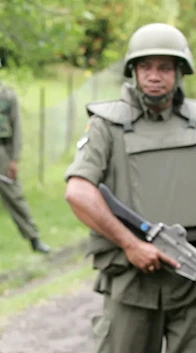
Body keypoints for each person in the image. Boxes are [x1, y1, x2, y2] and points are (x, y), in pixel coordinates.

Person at [65, 23, 196, 353]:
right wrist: (130, 244)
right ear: (133, 71)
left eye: (164, 67)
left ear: (180, 71)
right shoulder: (107, 125)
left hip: (191, 282)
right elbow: (79, 191)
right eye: (145, 66)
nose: (154, 75)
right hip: (132, 281)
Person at [0, 51, 50, 254]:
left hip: (1, 150)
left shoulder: (7, 94)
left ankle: (34, 238)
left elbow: (16, 126)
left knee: (15, 196)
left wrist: (14, 158)